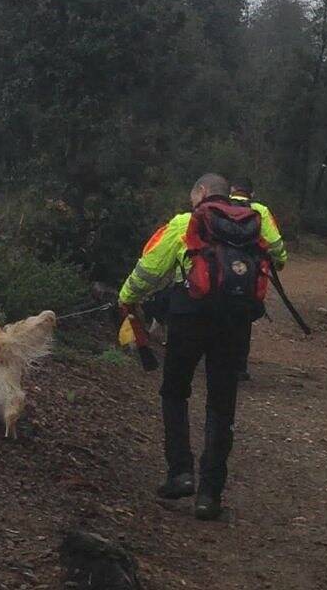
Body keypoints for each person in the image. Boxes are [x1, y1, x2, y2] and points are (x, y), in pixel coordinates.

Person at [117, 173, 265, 521]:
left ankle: (180, 473)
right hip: (234, 323)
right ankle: (210, 495)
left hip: (189, 318)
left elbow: (151, 268)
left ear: (200, 192)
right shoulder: (250, 225)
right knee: (221, 403)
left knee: (175, 392)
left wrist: (126, 298)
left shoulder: (186, 222)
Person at [229, 177, 288, 381]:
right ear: (251, 194)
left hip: (219, 272)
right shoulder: (260, 211)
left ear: (232, 190)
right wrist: (280, 261)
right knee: (243, 320)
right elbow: (274, 242)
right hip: (249, 275)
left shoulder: (220, 207)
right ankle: (239, 366)